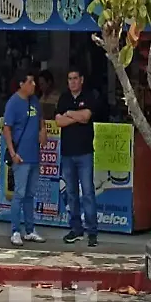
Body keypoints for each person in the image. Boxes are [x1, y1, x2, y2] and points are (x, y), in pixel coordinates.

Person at [55, 68, 100, 247]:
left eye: (75, 78)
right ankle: (76, 229)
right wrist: (77, 116)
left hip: (85, 153)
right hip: (67, 154)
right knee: (71, 194)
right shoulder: (64, 98)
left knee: (88, 193)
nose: (72, 81)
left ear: (81, 80)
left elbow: (87, 117)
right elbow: (59, 121)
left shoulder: (89, 96)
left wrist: (69, 114)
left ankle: (92, 232)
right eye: (70, 79)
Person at [3, 69, 48, 246]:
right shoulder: (13, 103)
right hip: (21, 157)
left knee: (30, 194)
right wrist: (13, 153)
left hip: (34, 156)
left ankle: (30, 230)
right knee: (19, 194)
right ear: (21, 84)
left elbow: (41, 118)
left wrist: (43, 130)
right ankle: (15, 231)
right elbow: (7, 129)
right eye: (30, 82)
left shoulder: (34, 101)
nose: (34, 85)